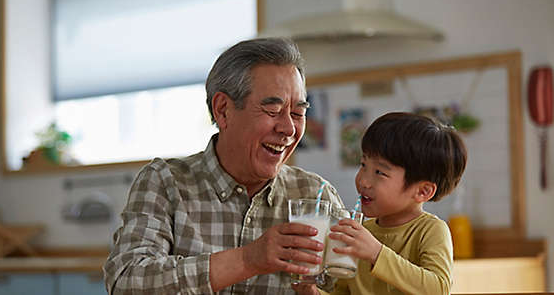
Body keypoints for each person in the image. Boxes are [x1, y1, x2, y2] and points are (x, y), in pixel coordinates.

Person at [103, 37, 344, 294]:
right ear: (223, 110)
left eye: (298, 113)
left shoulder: (316, 195)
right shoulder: (165, 181)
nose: (288, 128)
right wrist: (247, 260)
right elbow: (127, 281)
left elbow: (355, 286)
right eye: (273, 111)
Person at [294, 112, 467, 295]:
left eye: (380, 172)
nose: (363, 181)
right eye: (363, 165)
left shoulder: (431, 231)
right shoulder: (362, 233)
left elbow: (438, 289)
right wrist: (314, 293)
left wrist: (376, 253)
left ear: (422, 191)